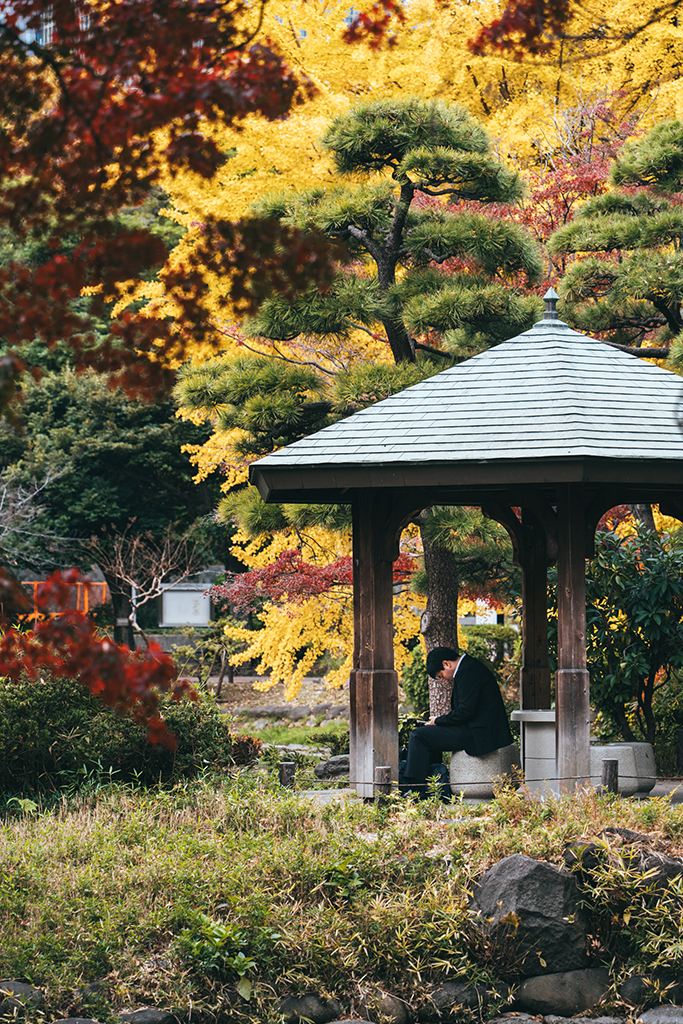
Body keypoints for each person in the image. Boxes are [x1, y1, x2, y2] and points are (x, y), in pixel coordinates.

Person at [402, 645, 513, 794]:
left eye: (441, 676)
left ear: (446, 664)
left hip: (478, 733)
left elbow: (465, 712)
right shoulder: (470, 667)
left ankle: (414, 789)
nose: (445, 681)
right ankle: (432, 785)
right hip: (477, 728)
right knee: (428, 735)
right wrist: (439, 722)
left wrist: (439, 721)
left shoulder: (468, 671)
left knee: (419, 736)